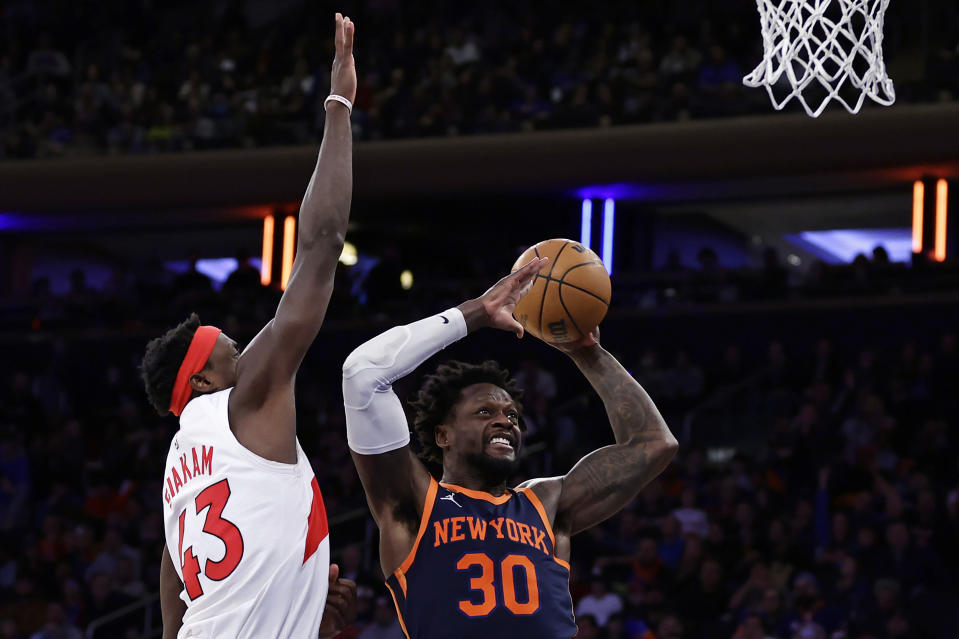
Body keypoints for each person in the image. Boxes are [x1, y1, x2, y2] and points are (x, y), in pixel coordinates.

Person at [139, 14, 358, 639]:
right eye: (234, 351)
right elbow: (320, 245)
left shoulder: (178, 472)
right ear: (204, 378)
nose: (251, 354)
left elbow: (173, 587)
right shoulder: (244, 401)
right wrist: (339, 101)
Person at [341, 257, 679, 637]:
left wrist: (586, 352)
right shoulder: (414, 504)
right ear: (443, 435)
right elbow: (363, 374)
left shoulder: (547, 503)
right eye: (485, 411)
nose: (505, 421)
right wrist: (477, 312)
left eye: (513, 416)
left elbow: (653, 444)